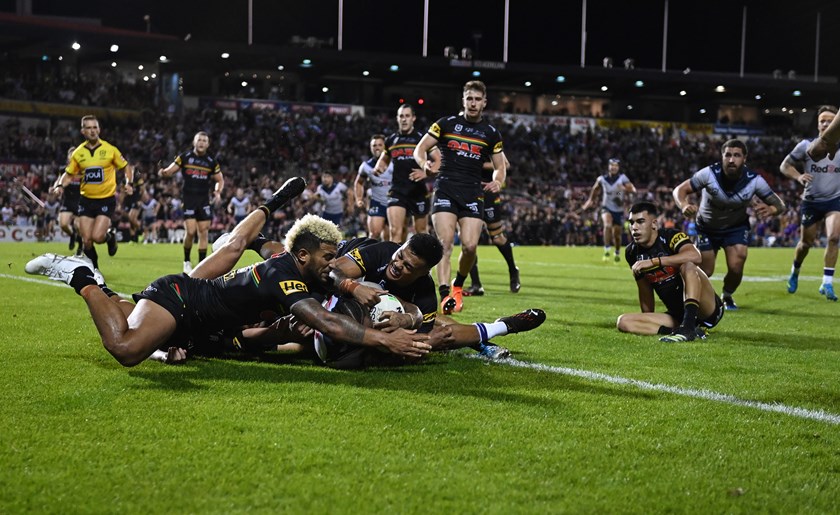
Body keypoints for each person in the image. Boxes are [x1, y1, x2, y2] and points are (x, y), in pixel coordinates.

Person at [25, 177, 432, 368]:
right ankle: (81, 275)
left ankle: (107, 291)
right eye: (328, 256)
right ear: (304, 255)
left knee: (143, 328)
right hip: (183, 299)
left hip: (200, 321)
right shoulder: (283, 273)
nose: (334, 262)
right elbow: (323, 319)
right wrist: (383, 339)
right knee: (126, 349)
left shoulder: (307, 271)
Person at [414, 81, 507, 313]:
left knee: (470, 246)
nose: (473, 103)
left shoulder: (491, 133)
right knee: (444, 244)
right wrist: (424, 163)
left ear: (484, 102)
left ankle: (458, 284)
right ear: (463, 100)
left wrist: (498, 181)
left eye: (477, 99)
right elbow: (420, 149)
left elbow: (500, 166)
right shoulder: (446, 124)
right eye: (469, 98)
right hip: (445, 187)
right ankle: (445, 295)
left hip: (473, 191)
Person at [673, 139, 785, 310]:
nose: (732, 160)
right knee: (706, 270)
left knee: (737, 265)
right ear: (722, 157)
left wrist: (771, 210)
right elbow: (679, 190)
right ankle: (688, 296)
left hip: (736, 228)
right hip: (707, 227)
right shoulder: (709, 174)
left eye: (737, 155)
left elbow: (780, 205)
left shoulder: (754, 181)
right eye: (728, 155)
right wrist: (684, 205)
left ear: (744, 158)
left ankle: (727, 295)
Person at [617, 202, 725, 342]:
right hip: (676, 315)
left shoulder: (671, 236)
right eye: (631, 223)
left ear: (654, 224)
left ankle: (688, 327)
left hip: (707, 310)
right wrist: (647, 318)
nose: (634, 228)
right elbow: (645, 290)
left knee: (688, 265)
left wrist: (655, 261)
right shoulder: (632, 252)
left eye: (640, 222)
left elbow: (695, 256)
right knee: (623, 322)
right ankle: (684, 331)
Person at [52, 115, 133, 273]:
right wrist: (60, 185)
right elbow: (68, 174)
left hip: (105, 200)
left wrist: (128, 183)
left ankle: (110, 237)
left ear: (99, 129)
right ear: (83, 131)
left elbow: (126, 167)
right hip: (86, 200)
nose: (92, 131)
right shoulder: (78, 153)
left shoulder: (110, 150)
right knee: (86, 240)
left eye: (95, 127)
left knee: (97, 237)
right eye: (88, 128)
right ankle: (95, 270)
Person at [782, 105, 840, 301]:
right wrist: (798, 177)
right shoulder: (805, 146)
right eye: (822, 120)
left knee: (833, 238)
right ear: (817, 124)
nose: (825, 123)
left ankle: (827, 282)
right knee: (805, 244)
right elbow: (785, 165)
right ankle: (795, 270)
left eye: (830, 120)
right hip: (812, 201)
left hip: (835, 200)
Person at [158, 131, 225, 274]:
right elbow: (170, 170)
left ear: (208, 144)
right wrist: (164, 172)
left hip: (204, 200)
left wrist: (217, 192)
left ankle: (202, 265)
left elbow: (220, 180)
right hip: (188, 199)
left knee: (203, 232)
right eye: (199, 140)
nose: (201, 142)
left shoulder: (211, 162)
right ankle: (186, 261)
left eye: (204, 140)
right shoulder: (185, 157)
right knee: (191, 232)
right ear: (194, 142)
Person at [375, 104, 436, 243]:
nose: (404, 119)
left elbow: (439, 160)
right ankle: (395, 264)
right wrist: (379, 167)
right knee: (396, 230)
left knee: (421, 232)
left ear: (413, 118)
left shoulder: (422, 139)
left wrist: (426, 173)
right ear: (397, 118)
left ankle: (425, 264)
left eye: (407, 116)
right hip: (398, 190)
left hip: (418, 191)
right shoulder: (391, 140)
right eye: (401, 116)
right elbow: (384, 159)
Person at [464, 154, 520, 296]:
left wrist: (480, 165)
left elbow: (505, 164)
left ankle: (513, 270)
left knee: (497, 238)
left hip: (488, 191)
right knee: (469, 240)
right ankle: (476, 284)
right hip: (467, 192)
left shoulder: (487, 139)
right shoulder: (463, 140)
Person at [582, 158, 636, 263]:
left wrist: (623, 189)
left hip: (619, 207)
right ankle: (606, 249)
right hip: (606, 207)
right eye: (612, 165)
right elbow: (595, 189)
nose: (613, 167)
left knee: (617, 236)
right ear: (608, 166)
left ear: (618, 167)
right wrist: (590, 200)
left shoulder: (622, 178)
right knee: (607, 225)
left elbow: (633, 190)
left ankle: (616, 252)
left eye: (616, 165)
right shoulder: (602, 179)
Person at [354, 134, 393, 240]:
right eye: (374, 145)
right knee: (374, 234)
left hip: (394, 202)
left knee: (390, 236)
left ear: (385, 146)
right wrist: (358, 199)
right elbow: (359, 183)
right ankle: (372, 256)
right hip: (377, 202)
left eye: (380, 145)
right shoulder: (366, 166)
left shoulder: (394, 162)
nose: (377, 147)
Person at [54, 146, 82, 255]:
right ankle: (72, 235)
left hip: (80, 201)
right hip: (68, 200)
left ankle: (80, 244)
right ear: (68, 158)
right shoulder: (63, 170)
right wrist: (56, 187)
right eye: (71, 155)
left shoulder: (83, 169)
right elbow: (58, 181)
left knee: (78, 226)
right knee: (63, 224)